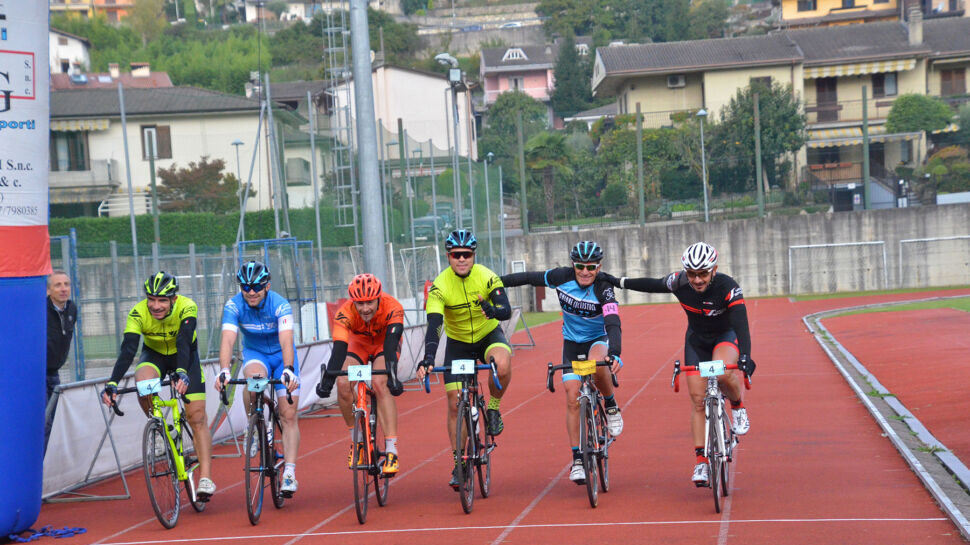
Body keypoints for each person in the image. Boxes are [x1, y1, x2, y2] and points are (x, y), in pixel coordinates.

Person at [604, 242, 756, 487]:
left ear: (714, 270)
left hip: (724, 337)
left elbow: (742, 326)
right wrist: (617, 281)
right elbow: (651, 285)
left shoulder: (728, 287)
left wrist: (746, 356)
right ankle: (701, 462)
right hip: (696, 342)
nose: (697, 280)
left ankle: (738, 407)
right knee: (697, 400)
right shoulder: (678, 282)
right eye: (692, 274)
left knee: (725, 371)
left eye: (703, 274)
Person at [500, 241, 624, 485]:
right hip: (571, 343)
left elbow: (612, 322)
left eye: (591, 267)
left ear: (599, 267)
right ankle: (577, 458)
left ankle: (610, 404)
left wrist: (616, 352)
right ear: (572, 265)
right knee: (571, 396)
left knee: (597, 363)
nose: (585, 272)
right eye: (580, 266)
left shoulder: (604, 287)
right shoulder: (560, 277)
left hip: (598, 339)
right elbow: (528, 277)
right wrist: (496, 281)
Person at [101, 271, 216, 499]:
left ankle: (205, 478)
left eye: (162, 300)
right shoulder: (138, 312)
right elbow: (129, 349)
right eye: (151, 299)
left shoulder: (187, 306)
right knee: (143, 381)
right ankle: (165, 430)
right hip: (154, 356)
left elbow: (184, 340)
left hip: (185, 357)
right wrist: (112, 382)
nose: (155, 306)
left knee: (197, 417)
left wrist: (182, 372)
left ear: (173, 299)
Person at [415, 229, 514, 489]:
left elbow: (505, 310)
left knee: (502, 365)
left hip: (487, 335)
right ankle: (459, 462)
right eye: (456, 255)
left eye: (466, 255)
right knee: (452, 402)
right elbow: (434, 326)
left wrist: (492, 309)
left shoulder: (487, 276)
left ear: (473, 256)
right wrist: (427, 357)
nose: (461, 259)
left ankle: (492, 407)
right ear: (448, 257)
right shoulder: (440, 286)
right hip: (458, 344)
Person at [214, 261, 301, 497]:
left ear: (267, 286)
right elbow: (229, 338)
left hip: (282, 357)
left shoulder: (280, 305)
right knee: (253, 382)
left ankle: (290, 472)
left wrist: (289, 369)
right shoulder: (233, 305)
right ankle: (253, 427)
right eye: (246, 287)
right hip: (256, 355)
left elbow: (285, 339)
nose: (251, 292)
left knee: (289, 414)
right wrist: (224, 369)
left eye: (256, 287)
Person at [315, 273, 406, 475]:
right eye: (360, 304)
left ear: (378, 298)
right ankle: (357, 441)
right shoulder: (344, 312)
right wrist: (327, 381)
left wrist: (393, 377)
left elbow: (391, 348)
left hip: (385, 344)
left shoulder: (393, 307)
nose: (365, 309)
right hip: (359, 345)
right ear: (353, 302)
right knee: (343, 383)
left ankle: (391, 449)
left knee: (380, 381)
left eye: (370, 303)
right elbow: (339, 350)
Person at [46, 270, 77, 451]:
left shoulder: (72, 309)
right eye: (58, 285)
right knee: (44, 423)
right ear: (49, 290)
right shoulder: (40, 309)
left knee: (56, 422)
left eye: (66, 284)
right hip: (37, 375)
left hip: (54, 373)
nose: (63, 288)